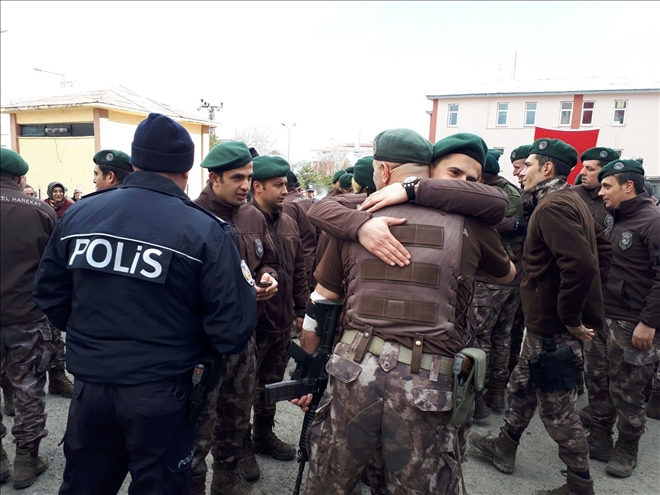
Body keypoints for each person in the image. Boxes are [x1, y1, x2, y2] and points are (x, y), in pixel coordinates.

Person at [32, 113, 257, 495]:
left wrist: (93, 335)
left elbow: (49, 292)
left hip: (92, 387)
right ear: (187, 169)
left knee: (85, 485)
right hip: (162, 392)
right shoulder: (204, 230)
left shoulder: (80, 215)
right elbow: (232, 326)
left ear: (134, 162)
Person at [293, 128, 515, 494]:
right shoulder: (472, 224)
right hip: (428, 382)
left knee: (330, 480)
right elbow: (506, 274)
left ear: (382, 170)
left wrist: (307, 367)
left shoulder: (356, 218)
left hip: (353, 371)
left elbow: (321, 301)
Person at [470, 138, 606, 495]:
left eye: (528, 164)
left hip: (551, 328)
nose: (521, 172)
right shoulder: (570, 199)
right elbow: (601, 251)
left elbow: (581, 265)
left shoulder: (553, 206)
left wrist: (571, 317)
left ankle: (579, 483)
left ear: (546, 168)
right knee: (521, 387)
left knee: (558, 409)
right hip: (542, 324)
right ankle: (505, 445)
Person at [193, 140, 278, 495]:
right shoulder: (191, 217)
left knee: (236, 418)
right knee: (197, 426)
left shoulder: (252, 216)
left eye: (249, 177)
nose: (246, 185)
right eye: (237, 178)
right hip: (203, 345)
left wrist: (268, 277)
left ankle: (227, 482)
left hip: (244, 340)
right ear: (214, 179)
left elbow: (268, 260)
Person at [585, 159, 660, 478]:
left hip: (633, 323)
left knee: (628, 390)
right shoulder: (614, 219)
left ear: (628, 186)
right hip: (603, 317)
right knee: (597, 381)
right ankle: (600, 437)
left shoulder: (652, 222)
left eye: (607, 186)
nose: (601, 192)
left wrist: (649, 322)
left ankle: (627, 447)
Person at [239, 155, 309, 481]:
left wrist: (301, 310)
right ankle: (241, 447)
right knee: (241, 390)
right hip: (253, 324)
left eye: (285, 184)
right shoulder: (242, 222)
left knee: (270, 386)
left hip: (281, 324)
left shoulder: (289, 222)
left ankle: (262, 434)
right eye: (278, 185)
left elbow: (299, 270)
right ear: (258, 186)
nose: (285, 190)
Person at [1, 148, 58, 489]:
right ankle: (26, 459)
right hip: (26, 316)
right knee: (28, 388)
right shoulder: (40, 210)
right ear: (20, 178)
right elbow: (57, 267)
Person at [471, 150, 526, 418]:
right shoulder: (513, 191)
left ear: (480, 176)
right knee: (502, 337)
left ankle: (477, 396)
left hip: (490, 278)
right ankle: (497, 393)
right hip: (513, 277)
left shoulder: (487, 196)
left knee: (480, 337)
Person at [282, 170, 318, 293]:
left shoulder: (287, 205)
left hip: (299, 265)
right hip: (312, 260)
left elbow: (288, 241)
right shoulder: (307, 200)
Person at [573, 147, 620, 229]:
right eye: (583, 167)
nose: (582, 172)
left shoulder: (617, 200)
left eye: (590, 169)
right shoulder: (571, 194)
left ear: (606, 172)